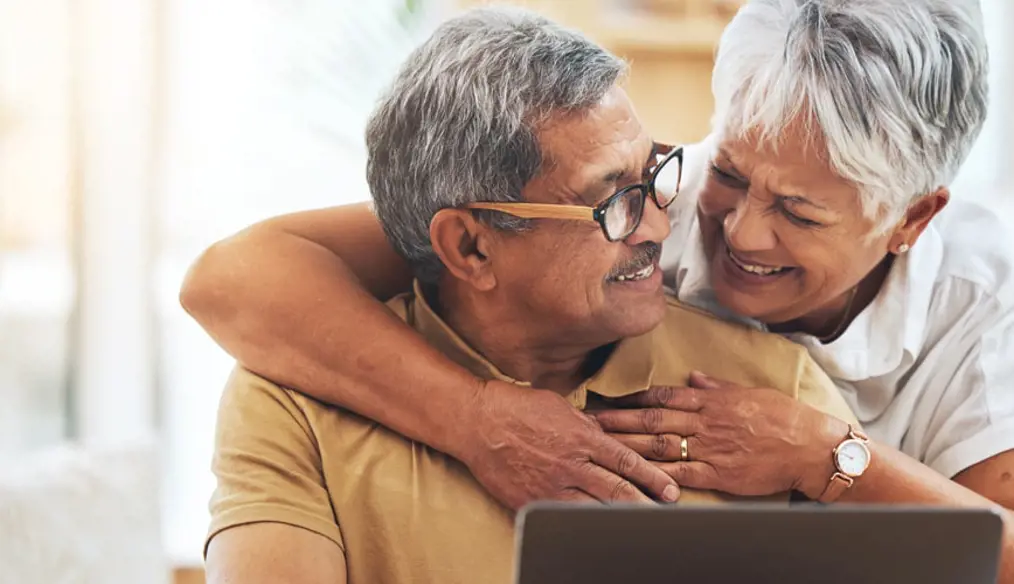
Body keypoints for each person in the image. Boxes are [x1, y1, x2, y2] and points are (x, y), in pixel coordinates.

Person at [186, 0, 1014, 580]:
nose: (732, 229)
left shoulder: (972, 319)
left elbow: (986, 562)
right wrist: (477, 417)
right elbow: (234, 278)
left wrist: (825, 455)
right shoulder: (653, 187)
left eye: (799, 212)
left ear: (913, 220)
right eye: (725, 171)